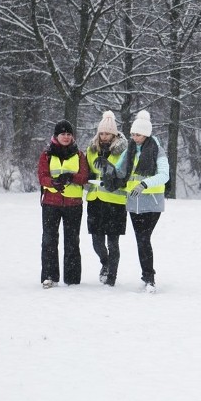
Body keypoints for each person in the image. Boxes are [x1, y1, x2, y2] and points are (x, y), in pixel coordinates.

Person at [94, 110, 169, 293]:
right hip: (134, 203)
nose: (134, 137)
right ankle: (147, 276)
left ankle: (150, 278)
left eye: (138, 134)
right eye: (133, 134)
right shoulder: (130, 150)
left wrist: (144, 184)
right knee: (141, 240)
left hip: (152, 201)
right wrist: (107, 169)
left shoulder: (157, 150)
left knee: (144, 239)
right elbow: (119, 171)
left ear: (147, 134)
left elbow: (164, 175)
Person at [37, 119, 89, 288]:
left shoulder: (79, 154)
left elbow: (84, 177)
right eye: (62, 134)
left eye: (69, 134)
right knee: (49, 240)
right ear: (56, 136)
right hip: (51, 203)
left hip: (73, 204)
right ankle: (49, 276)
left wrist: (70, 177)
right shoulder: (46, 154)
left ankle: (72, 279)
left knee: (72, 241)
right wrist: (53, 183)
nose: (66, 137)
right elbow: (42, 176)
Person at [85, 111, 128, 287]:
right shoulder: (91, 149)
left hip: (115, 202)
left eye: (108, 133)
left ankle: (112, 276)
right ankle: (105, 263)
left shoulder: (124, 151)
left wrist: (109, 169)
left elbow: (124, 175)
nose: (104, 136)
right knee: (96, 242)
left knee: (113, 242)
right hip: (95, 200)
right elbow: (87, 170)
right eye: (101, 133)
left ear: (115, 134)